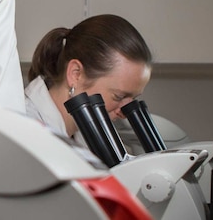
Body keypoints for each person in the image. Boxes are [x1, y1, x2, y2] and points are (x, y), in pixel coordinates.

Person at [25, 14, 153, 139]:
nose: (125, 113)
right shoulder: (27, 131)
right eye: (118, 96)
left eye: (133, 98)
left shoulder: (83, 132)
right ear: (76, 74)